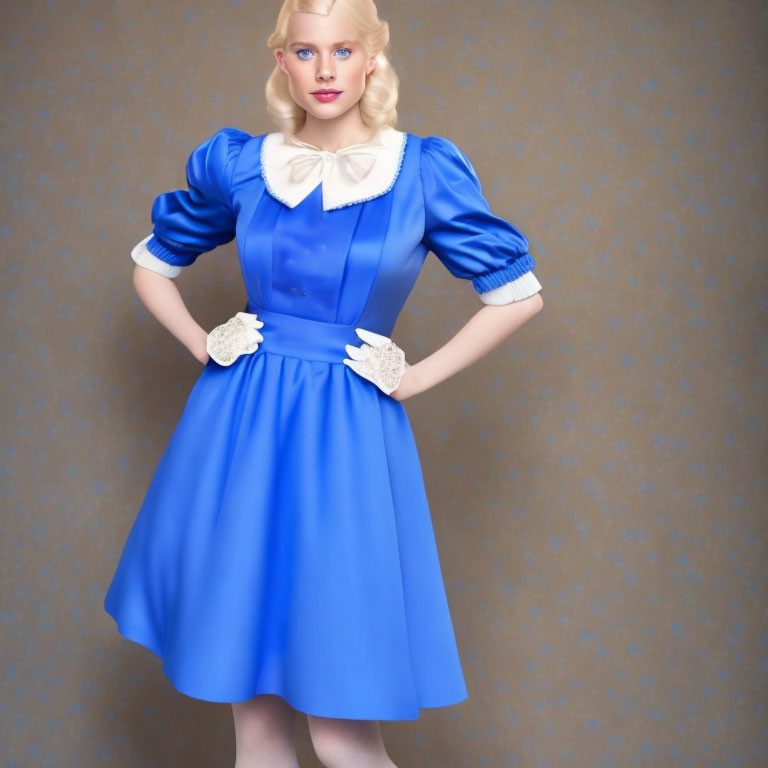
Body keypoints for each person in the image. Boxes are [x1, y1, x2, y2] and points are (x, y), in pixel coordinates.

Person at [104, 0, 544, 765]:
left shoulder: (422, 170)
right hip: (238, 426)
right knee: (258, 722)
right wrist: (204, 341)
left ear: (374, 58)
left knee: (342, 732)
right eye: (307, 52)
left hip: (346, 434)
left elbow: (517, 295)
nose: (326, 69)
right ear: (282, 62)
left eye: (343, 50)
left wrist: (413, 376)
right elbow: (152, 264)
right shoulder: (241, 163)